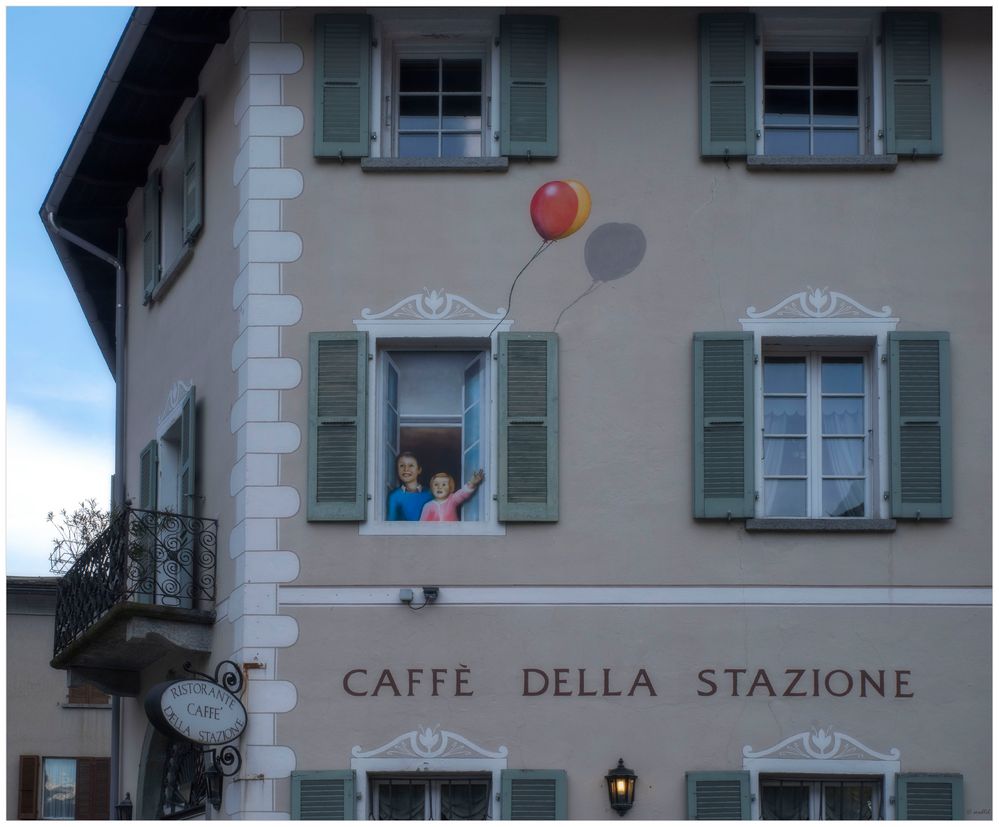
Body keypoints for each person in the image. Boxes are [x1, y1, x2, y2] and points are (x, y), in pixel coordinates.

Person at [419, 469, 484, 522]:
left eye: (444, 484)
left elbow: (462, 493)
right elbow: (422, 526)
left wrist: (472, 483)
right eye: (436, 484)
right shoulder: (428, 506)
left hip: (452, 534)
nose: (439, 487)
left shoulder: (452, 499)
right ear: (431, 489)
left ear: (450, 488)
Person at [386, 453, 433, 521]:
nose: (406, 469)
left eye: (411, 465)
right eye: (402, 465)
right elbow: (390, 523)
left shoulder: (430, 494)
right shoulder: (394, 496)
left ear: (419, 470)